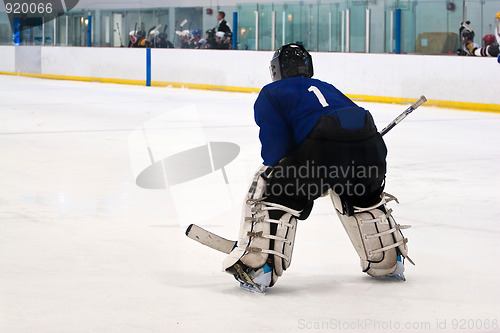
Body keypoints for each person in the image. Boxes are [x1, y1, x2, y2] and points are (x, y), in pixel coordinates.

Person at [222, 43, 414, 293]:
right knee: (364, 197)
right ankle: (389, 261)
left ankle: (260, 268)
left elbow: (275, 151)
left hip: (323, 151)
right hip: (370, 150)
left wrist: (300, 174)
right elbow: (353, 121)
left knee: (271, 186)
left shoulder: (272, 92)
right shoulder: (327, 87)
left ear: (276, 70)